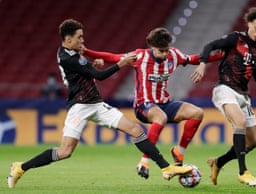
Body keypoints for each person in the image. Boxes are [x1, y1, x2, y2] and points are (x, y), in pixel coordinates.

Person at [7, 19, 193, 189]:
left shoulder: (71, 52)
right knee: (65, 151)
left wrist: (91, 67)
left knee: (136, 130)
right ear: (68, 39)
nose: (82, 40)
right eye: (79, 37)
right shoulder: (68, 57)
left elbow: (84, 73)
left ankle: (166, 168)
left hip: (95, 104)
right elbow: (100, 76)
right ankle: (21, 167)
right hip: (79, 107)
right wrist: (122, 63)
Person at [82, 27, 223, 179]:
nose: (164, 54)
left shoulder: (173, 55)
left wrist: (219, 56)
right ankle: (144, 162)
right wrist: (86, 52)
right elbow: (113, 57)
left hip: (165, 103)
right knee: (160, 117)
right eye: (161, 51)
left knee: (197, 113)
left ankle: (179, 153)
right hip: (144, 105)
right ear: (152, 47)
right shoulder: (140, 56)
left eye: (166, 50)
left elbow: (192, 59)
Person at [191, 6, 256, 186]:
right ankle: (243, 172)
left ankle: (218, 162)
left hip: (244, 96)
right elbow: (210, 46)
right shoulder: (235, 38)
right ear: (249, 23)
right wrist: (203, 64)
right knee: (240, 124)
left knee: (252, 143)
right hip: (225, 89)